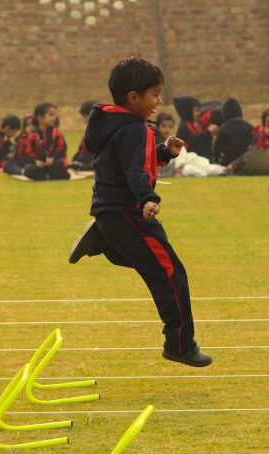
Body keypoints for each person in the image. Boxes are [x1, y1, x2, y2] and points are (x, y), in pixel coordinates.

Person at [69, 57, 212, 368]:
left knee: (143, 261)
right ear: (133, 97)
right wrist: (147, 197)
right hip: (129, 212)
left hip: (110, 213)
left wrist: (165, 152)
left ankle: (105, 240)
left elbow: (131, 161)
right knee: (171, 273)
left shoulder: (113, 125)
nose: (158, 101)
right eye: (155, 94)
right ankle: (180, 344)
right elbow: (134, 171)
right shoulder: (133, 129)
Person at [22, 102, 70, 181]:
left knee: (62, 163)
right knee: (28, 169)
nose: (54, 118)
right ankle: (49, 176)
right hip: (40, 165)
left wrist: (53, 158)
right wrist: (36, 161)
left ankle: (50, 175)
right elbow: (28, 152)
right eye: (51, 115)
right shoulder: (33, 134)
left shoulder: (57, 133)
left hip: (54, 163)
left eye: (54, 115)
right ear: (40, 118)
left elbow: (62, 149)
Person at [212, 98, 254, 166]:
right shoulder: (248, 126)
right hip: (245, 161)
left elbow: (217, 148)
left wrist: (216, 161)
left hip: (229, 161)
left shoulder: (224, 128)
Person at [174, 95, 216, 160]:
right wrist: (208, 132)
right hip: (190, 159)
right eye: (196, 110)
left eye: (199, 110)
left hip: (203, 158)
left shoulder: (197, 123)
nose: (199, 113)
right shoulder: (184, 126)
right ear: (187, 111)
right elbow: (193, 139)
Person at [70, 100, 98, 171]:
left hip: (96, 157)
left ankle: (88, 166)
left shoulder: (102, 130)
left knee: (82, 159)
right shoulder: (88, 130)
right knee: (76, 157)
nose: (84, 120)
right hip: (88, 156)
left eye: (85, 117)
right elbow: (82, 148)